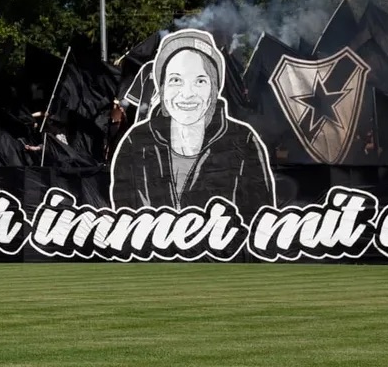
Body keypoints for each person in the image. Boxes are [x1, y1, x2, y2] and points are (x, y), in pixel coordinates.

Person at [110, 29, 275, 222]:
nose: (186, 93)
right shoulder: (135, 143)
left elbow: (260, 219)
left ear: (214, 89)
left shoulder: (243, 141)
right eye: (176, 80)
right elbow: (125, 218)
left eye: (200, 81)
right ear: (162, 89)